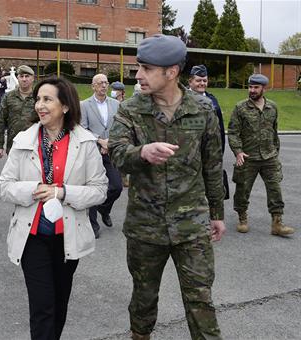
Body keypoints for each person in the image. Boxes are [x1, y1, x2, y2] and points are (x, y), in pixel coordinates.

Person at [108, 34, 225, 340]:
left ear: (171, 72)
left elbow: (212, 165)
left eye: (146, 68)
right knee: (144, 297)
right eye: (139, 67)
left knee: (200, 298)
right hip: (145, 226)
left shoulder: (203, 110)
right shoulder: (130, 110)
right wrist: (141, 153)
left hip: (192, 224)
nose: (138, 75)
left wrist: (217, 213)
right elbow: (117, 153)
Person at [0, 77, 108, 340]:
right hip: (32, 237)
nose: (39, 105)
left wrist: (62, 192)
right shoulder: (23, 140)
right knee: (42, 307)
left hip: (68, 238)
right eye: (38, 99)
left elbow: (99, 189)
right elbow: (5, 185)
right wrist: (34, 188)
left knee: (59, 305)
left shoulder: (85, 142)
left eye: (47, 99)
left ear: (66, 106)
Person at [228, 74, 295, 236]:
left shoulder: (272, 107)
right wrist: (238, 151)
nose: (252, 90)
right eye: (250, 87)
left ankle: (277, 223)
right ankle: (242, 217)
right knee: (243, 189)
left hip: (269, 157)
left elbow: (274, 131)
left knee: (275, 189)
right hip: (248, 157)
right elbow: (233, 132)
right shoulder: (240, 107)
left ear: (264, 88)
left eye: (256, 87)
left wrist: (275, 151)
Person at [80, 73, 123, 238]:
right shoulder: (85, 105)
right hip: (93, 152)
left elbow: (119, 127)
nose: (104, 86)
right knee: (93, 188)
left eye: (106, 83)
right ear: (93, 86)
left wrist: (109, 143)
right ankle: (93, 225)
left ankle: (104, 208)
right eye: (100, 83)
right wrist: (100, 141)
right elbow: (83, 128)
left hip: (110, 151)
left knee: (116, 187)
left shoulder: (116, 104)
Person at [188, 64, 229, 199]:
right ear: (190, 81)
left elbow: (220, 129)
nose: (202, 83)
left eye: (204, 80)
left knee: (211, 191)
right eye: (198, 80)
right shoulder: (181, 99)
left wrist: (220, 152)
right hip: (188, 155)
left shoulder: (212, 100)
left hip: (210, 154)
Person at [0, 64, 36, 158]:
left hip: (35, 145)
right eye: (21, 76)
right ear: (18, 78)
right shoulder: (8, 97)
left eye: (27, 76)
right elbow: (0, 121)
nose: (24, 79)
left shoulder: (38, 97)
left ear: (33, 78)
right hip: (13, 145)